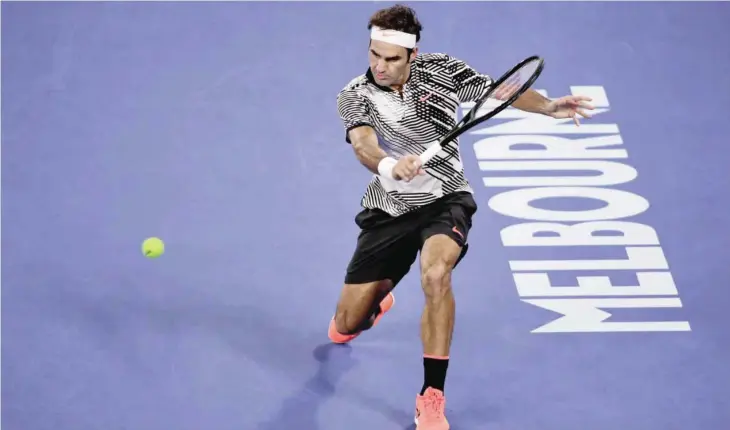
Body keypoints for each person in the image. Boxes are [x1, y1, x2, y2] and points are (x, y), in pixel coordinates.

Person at [328, 4, 594, 430]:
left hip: (447, 198)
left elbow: (499, 92)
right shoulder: (354, 94)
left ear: (412, 56)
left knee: (436, 275)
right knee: (345, 325)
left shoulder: (443, 71)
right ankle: (375, 303)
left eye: (391, 58)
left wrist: (546, 108)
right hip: (389, 208)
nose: (379, 65)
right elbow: (363, 144)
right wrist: (389, 167)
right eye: (374, 54)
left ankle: (431, 395)